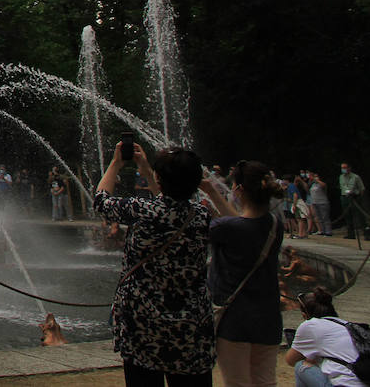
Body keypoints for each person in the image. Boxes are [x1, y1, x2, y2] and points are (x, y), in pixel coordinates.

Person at [95, 141, 215, 386]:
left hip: (143, 325)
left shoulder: (141, 210)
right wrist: (151, 172)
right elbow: (170, 201)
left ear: (159, 179)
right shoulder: (202, 216)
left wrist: (117, 162)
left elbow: (101, 201)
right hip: (190, 327)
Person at [206, 159, 284, 387]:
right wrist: (211, 191)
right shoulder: (274, 224)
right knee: (265, 382)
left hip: (235, 320)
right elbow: (240, 222)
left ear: (239, 189)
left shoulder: (224, 229)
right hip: (268, 318)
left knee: (237, 383)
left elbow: (235, 225)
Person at [286, 286, 369, 387]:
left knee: (300, 366)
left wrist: (310, 356)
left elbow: (290, 360)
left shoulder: (311, 325)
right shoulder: (347, 325)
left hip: (345, 384)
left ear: (305, 315)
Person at [340, 163, 366, 240]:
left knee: (360, 216)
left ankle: (366, 233)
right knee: (348, 216)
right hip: (345, 197)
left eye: (345, 167)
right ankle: (351, 234)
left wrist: (358, 197)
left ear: (349, 168)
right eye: (342, 168)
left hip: (355, 197)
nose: (343, 169)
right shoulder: (341, 177)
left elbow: (362, 189)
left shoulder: (355, 177)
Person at [310, 172, 334, 237]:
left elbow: (324, 185)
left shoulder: (321, 184)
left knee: (325, 217)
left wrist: (317, 180)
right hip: (315, 202)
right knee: (319, 218)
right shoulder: (313, 184)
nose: (315, 178)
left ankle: (328, 231)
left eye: (316, 176)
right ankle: (322, 230)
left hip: (322, 202)